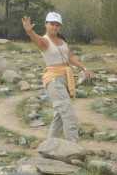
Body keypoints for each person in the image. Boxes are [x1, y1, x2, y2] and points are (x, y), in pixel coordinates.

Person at [22, 12, 93, 142]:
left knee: (60, 115)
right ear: (46, 25)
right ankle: (73, 146)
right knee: (68, 113)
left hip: (65, 78)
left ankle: (50, 143)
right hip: (54, 79)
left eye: (57, 25)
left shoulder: (62, 41)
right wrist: (30, 32)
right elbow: (37, 40)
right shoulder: (45, 41)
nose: (55, 27)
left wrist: (84, 68)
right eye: (52, 24)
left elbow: (70, 57)